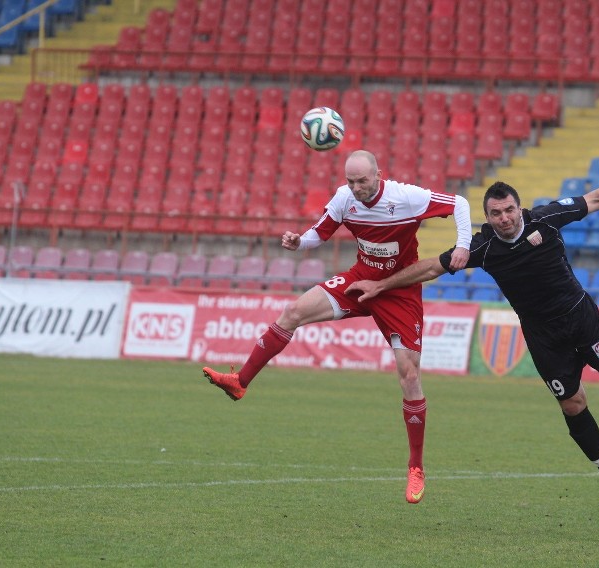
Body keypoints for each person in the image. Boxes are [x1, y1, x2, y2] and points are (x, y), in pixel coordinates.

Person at [346, 146, 599, 511]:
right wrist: (380, 286)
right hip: (543, 336)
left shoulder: (546, 219)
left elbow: (596, 198)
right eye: (495, 214)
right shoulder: (483, 247)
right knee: (573, 403)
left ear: (519, 208)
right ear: (487, 218)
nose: (504, 218)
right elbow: (430, 268)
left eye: (509, 210)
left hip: (581, 317)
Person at [202, 150, 472, 505]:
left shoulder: (406, 198)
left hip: (400, 291)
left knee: (408, 375)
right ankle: (240, 383)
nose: (357, 188)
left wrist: (464, 245)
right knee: (293, 311)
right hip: (360, 281)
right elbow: (320, 233)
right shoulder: (345, 199)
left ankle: (416, 467)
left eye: (363, 181)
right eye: (351, 181)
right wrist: (300, 242)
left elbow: (461, 203)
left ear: (379, 175)